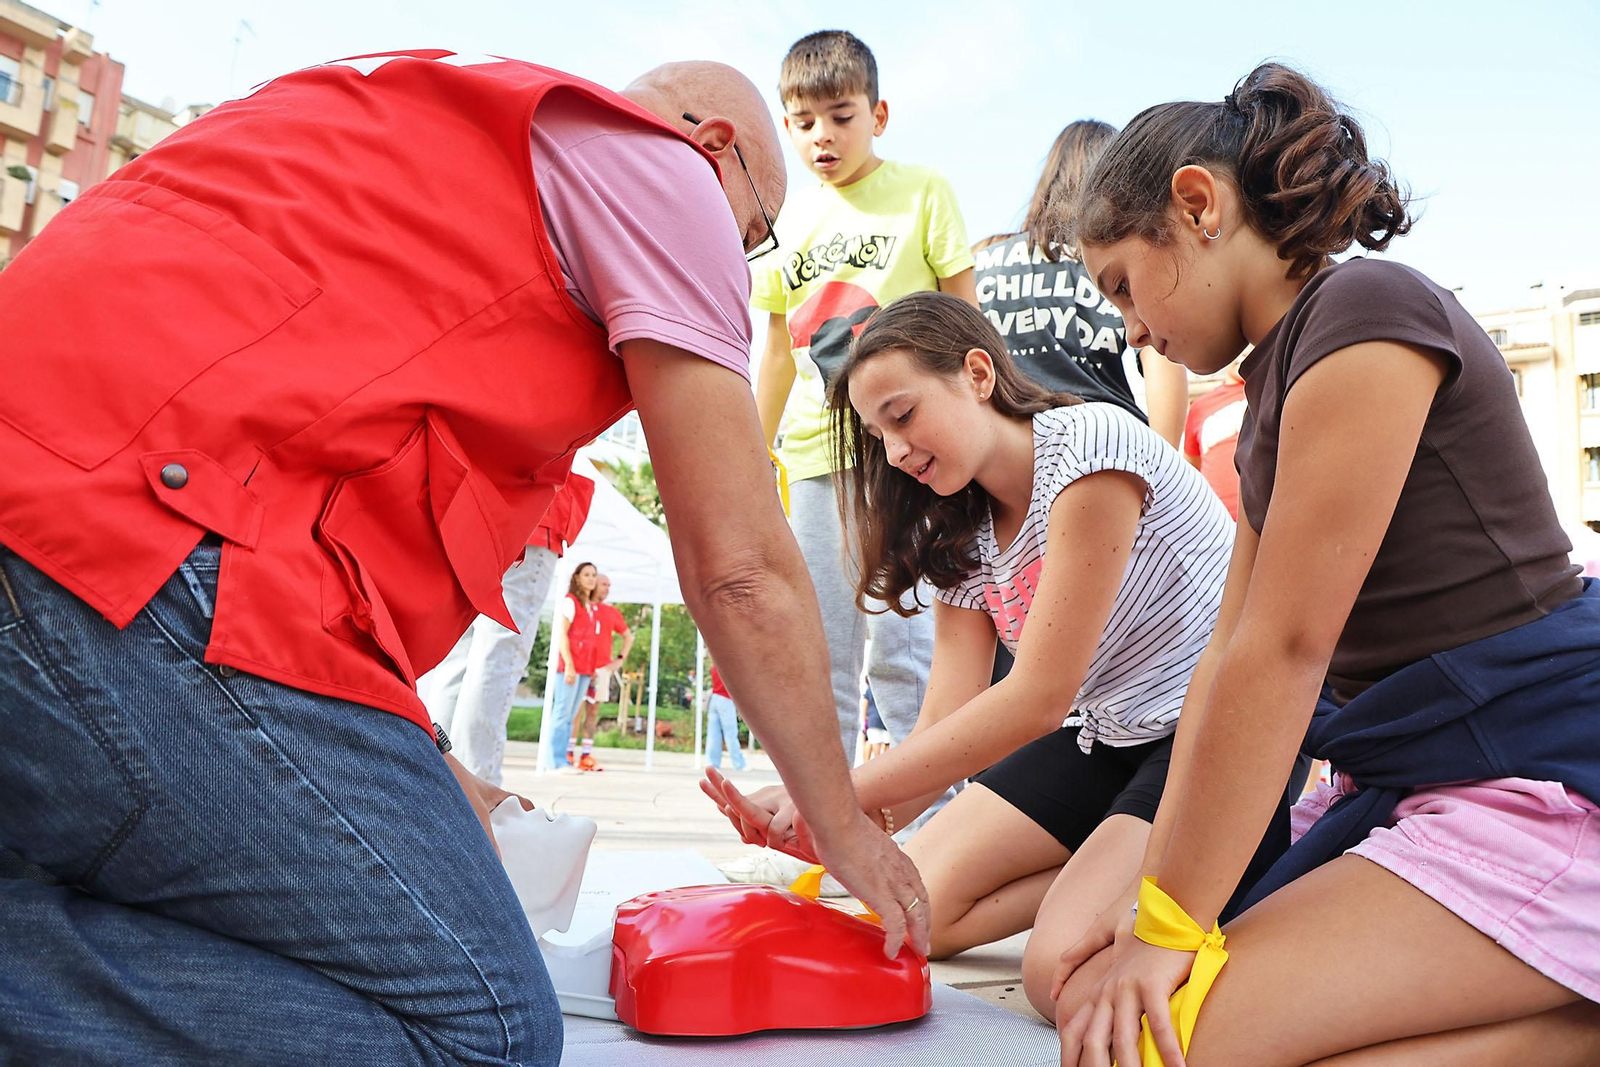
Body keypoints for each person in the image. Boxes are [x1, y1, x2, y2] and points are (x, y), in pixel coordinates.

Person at [0, 50, 929, 1065]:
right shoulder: (663, 173)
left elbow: (304, 452)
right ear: (712, 145)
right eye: (749, 235)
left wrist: (434, 769)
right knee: (480, 1025)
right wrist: (843, 824)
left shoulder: (390, 117)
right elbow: (740, 566)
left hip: (76, 528)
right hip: (125, 558)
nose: (733, 264)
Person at [1051, 63, 1600, 1066]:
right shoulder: (1270, 391)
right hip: (1427, 771)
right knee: (1087, 993)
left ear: (1196, 203)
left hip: (1538, 773)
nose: (1130, 330)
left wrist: (1168, 927)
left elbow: (1286, 647)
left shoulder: (1364, 308)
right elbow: (1225, 661)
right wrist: (1155, 903)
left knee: (1150, 1044)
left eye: (1123, 284)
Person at [709, 291, 1305, 999]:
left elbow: (1038, 699)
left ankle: (1223, 855)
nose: (896, 452)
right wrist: (845, 827)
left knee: (1055, 969)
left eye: (902, 415)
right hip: (1108, 735)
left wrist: (828, 798)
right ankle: (1127, 860)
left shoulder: (1090, 447)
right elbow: (943, 727)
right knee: (907, 902)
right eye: (878, 436)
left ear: (978, 374)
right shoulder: (959, 530)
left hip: (1214, 728)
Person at [752, 29, 976, 765]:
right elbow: (781, 353)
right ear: (787, 125)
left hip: (907, 453)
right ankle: (825, 829)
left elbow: (967, 318)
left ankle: (927, 824)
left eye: (842, 116)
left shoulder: (923, 192)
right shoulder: (786, 223)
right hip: (816, 457)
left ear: (878, 115)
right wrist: (754, 453)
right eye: (805, 120)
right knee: (821, 649)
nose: (823, 135)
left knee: (904, 644)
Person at [973, 120, 1189, 448]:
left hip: (1012, 450)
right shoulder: (1118, 263)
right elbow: (1163, 364)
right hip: (1110, 446)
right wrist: (1163, 469)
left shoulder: (983, 263)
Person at [421, 471, 595, 785]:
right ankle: (478, 785)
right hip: (531, 510)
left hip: (473, 506)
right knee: (497, 656)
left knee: (458, 655)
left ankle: (436, 778)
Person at [569, 572, 634, 771]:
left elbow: (628, 636)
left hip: (601, 670)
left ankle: (586, 756)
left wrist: (618, 661)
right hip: (581, 668)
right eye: (603, 584)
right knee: (575, 712)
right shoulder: (581, 606)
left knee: (593, 712)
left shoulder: (611, 612)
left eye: (609, 585)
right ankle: (568, 753)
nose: (607, 588)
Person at [549, 561, 599, 771]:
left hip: (585, 670)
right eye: (586, 574)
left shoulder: (589, 606)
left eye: (594, 575)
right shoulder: (570, 602)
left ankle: (563, 760)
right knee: (561, 714)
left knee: (570, 716)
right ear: (577, 577)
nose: (591, 578)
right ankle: (555, 761)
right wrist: (569, 664)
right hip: (570, 668)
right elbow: (562, 634)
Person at [1181, 361, 1246, 520]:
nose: (1245, 353)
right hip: (1217, 522)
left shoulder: (1272, 392)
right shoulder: (1201, 407)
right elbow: (1191, 467)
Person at [704, 663, 747, 772]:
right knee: (730, 733)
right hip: (726, 699)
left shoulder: (714, 667)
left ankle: (712, 763)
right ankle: (738, 763)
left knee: (713, 734)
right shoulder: (727, 666)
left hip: (714, 698)